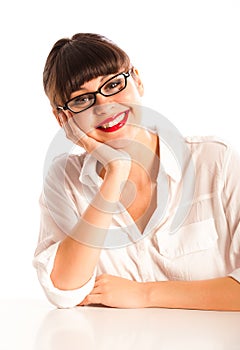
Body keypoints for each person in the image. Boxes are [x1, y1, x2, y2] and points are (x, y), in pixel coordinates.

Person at [33, 33, 240, 310]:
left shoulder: (215, 161)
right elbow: (64, 292)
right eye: (82, 100)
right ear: (63, 119)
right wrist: (115, 174)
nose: (105, 106)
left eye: (114, 84)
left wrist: (145, 295)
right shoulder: (64, 180)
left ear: (138, 80)